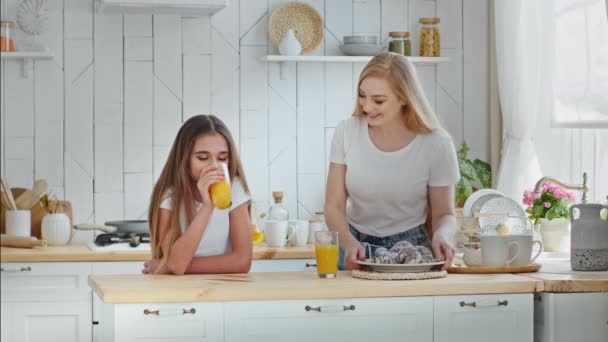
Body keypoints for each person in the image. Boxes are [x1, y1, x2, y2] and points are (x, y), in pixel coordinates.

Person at [325, 52, 459, 271]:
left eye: (378, 100)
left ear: (405, 97)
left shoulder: (437, 143)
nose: (367, 106)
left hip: (411, 252)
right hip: (354, 249)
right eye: (362, 95)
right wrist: (348, 242)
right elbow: (334, 205)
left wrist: (442, 236)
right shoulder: (346, 132)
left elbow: (444, 213)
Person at [143, 115, 252, 275]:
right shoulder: (169, 198)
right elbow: (177, 263)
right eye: (202, 158)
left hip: (224, 289)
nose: (214, 166)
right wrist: (207, 207)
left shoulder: (234, 189)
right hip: (179, 291)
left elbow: (242, 262)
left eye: (222, 158)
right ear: (184, 159)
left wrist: (169, 266)